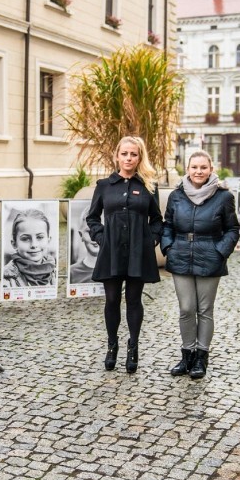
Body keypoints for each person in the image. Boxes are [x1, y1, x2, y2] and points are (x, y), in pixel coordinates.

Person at [161, 151, 240, 380]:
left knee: (204, 310)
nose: (198, 172)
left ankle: (201, 356)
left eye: (203, 167)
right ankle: (186, 354)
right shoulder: (177, 195)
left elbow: (233, 229)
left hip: (210, 255)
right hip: (181, 255)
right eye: (194, 167)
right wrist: (169, 247)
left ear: (211, 169)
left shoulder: (223, 197)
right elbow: (167, 224)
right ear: (188, 169)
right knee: (186, 308)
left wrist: (220, 251)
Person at [86, 135, 162, 374]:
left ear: (140, 157)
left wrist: (151, 240)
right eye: (125, 153)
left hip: (139, 253)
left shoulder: (148, 186)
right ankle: (112, 345)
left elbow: (157, 219)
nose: (129, 158)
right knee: (111, 299)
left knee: (133, 300)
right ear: (117, 156)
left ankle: (133, 346)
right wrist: (101, 238)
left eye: (134, 154)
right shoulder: (104, 186)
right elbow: (92, 217)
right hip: (112, 252)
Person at [1, 209, 57, 287]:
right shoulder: (5, 278)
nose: (34, 245)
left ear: (48, 240)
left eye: (40, 237)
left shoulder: (56, 273)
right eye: (25, 239)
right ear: (14, 244)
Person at [69, 205, 99, 284]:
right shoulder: (71, 273)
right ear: (81, 235)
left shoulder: (118, 271)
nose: (94, 238)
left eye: (101, 231)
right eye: (89, 232)